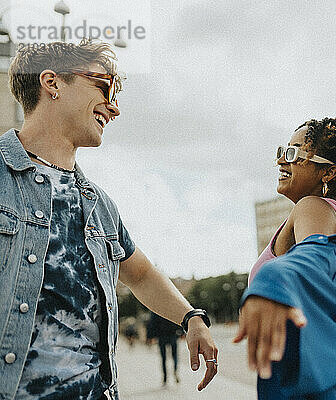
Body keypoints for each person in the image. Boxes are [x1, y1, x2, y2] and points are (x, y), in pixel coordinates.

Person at [0, 40, 217, 399]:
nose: (114, 108)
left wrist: (191, 317)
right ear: (52, 83)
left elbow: (142, 274)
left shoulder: (99, 205)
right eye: (104, 86)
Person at [234, 116, 336, 399]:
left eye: (293, 153)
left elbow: (312, 255)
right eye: (281, 151)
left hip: (322, 384)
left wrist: (273, 282)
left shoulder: (311, 207)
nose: (281, 161)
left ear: (328, 172)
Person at [146, 312, 183, 385]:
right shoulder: (171, 307)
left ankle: (165, 377)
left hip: (161, 336)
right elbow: (178, 318)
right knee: (175, 355)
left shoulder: (156, 309)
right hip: (173, 334)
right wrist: (182, 332)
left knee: (163, 358)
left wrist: (150, 336)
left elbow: (152, 323)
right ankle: (175, 370)